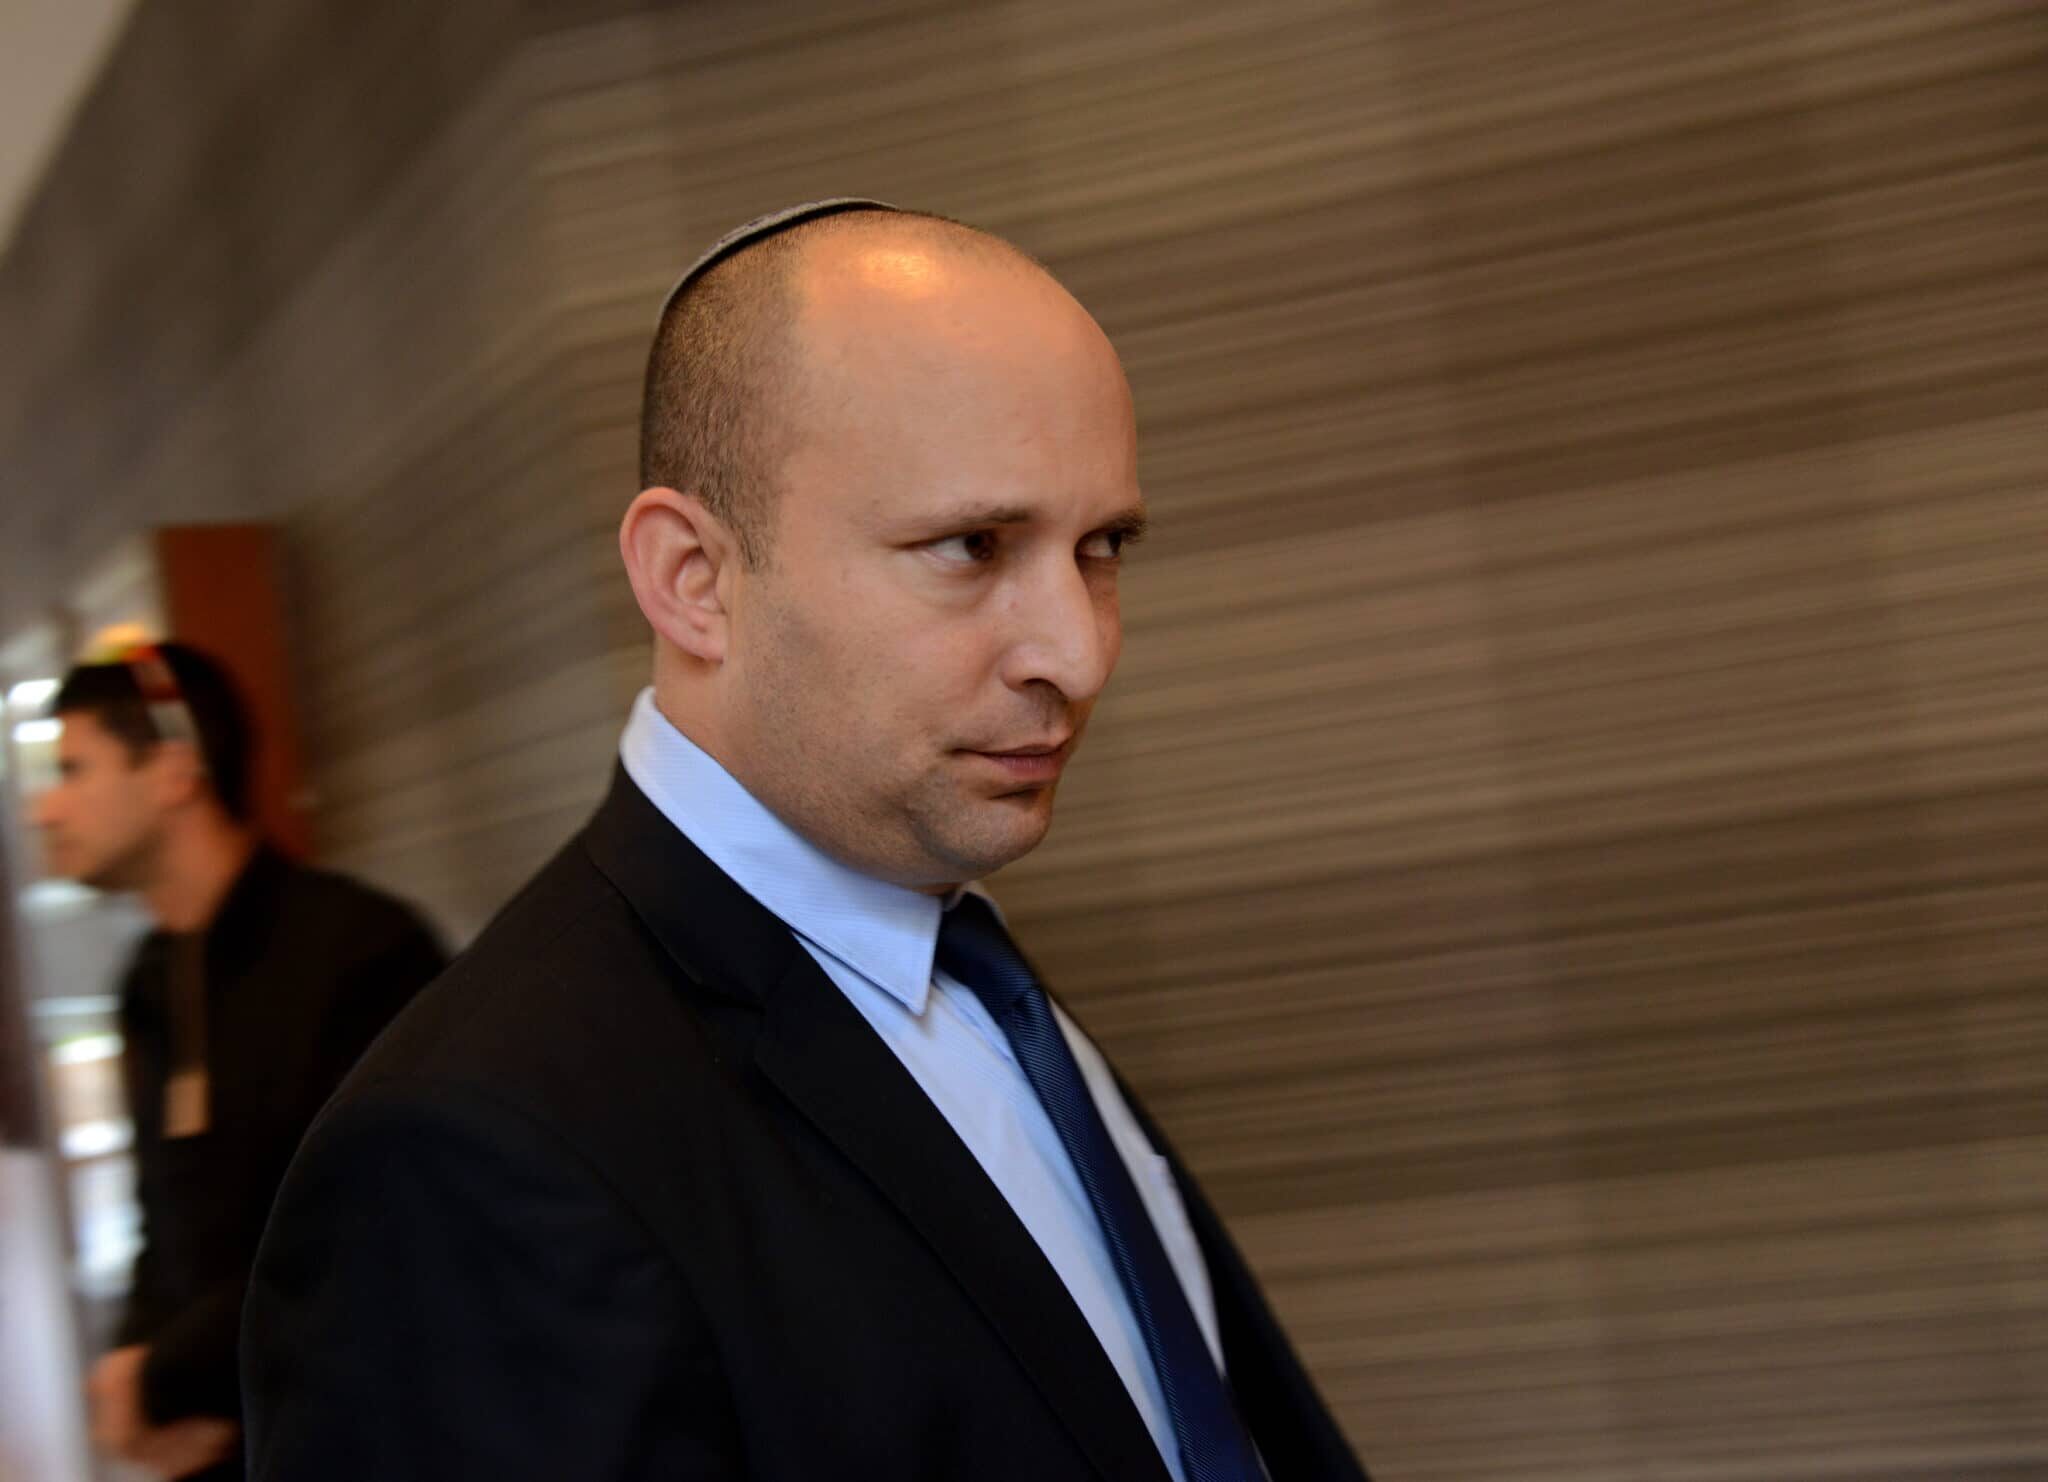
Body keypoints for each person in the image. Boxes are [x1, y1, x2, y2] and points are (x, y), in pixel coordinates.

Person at [242, 200, 1367, 1481]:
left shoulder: (961, 960)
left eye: (1100, 547)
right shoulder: (466, 1161)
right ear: (694, 579)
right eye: (971, 547)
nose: (1077, 651)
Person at [32, 641, 446, 1481]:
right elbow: (165, 1223)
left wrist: (162, 1379)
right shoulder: (150, 979)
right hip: (226, 1445)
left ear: (173, 770)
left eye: (73, 770)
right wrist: (138, 1380)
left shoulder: (357, 949)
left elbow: (372, 1239)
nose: (45, 808)